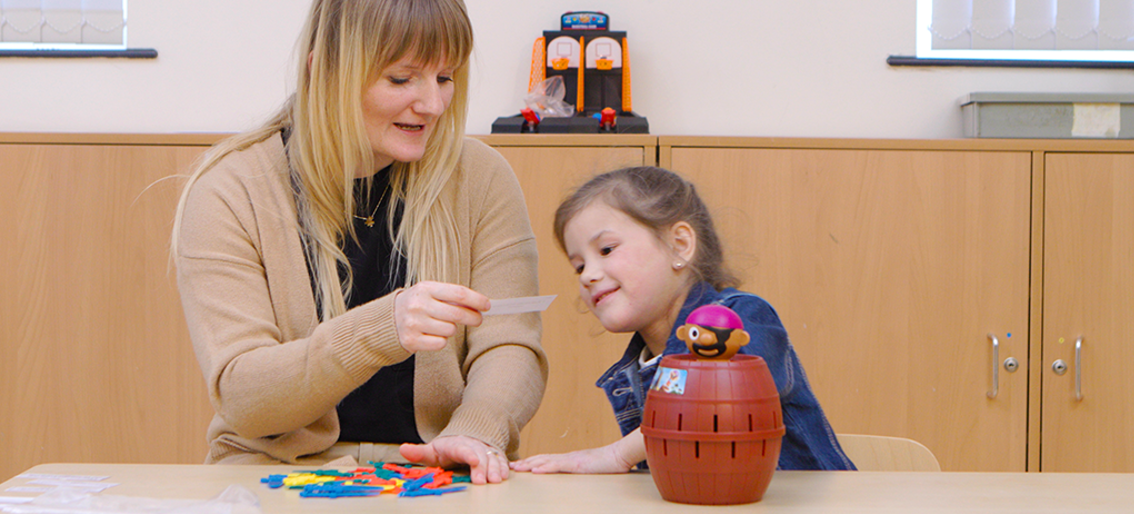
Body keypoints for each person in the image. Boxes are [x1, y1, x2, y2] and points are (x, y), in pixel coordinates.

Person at [170, 0, 546, 484]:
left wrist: (476, 433)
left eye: (445, 77)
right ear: (323, 70)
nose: (432, 104)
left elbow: (510, 344)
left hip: (440, 480)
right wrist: (380, 330)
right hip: (275, 478)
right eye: (401, 78)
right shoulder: (230, 189)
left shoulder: (482, 178)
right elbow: (246, 399)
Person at [510, 166, 855, 473]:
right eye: (579, 266)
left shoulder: (738, 318)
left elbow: (712, 404)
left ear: (679, 245)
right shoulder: (638, 368)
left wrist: (615, 456)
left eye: (606, 250)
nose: (588, 276)